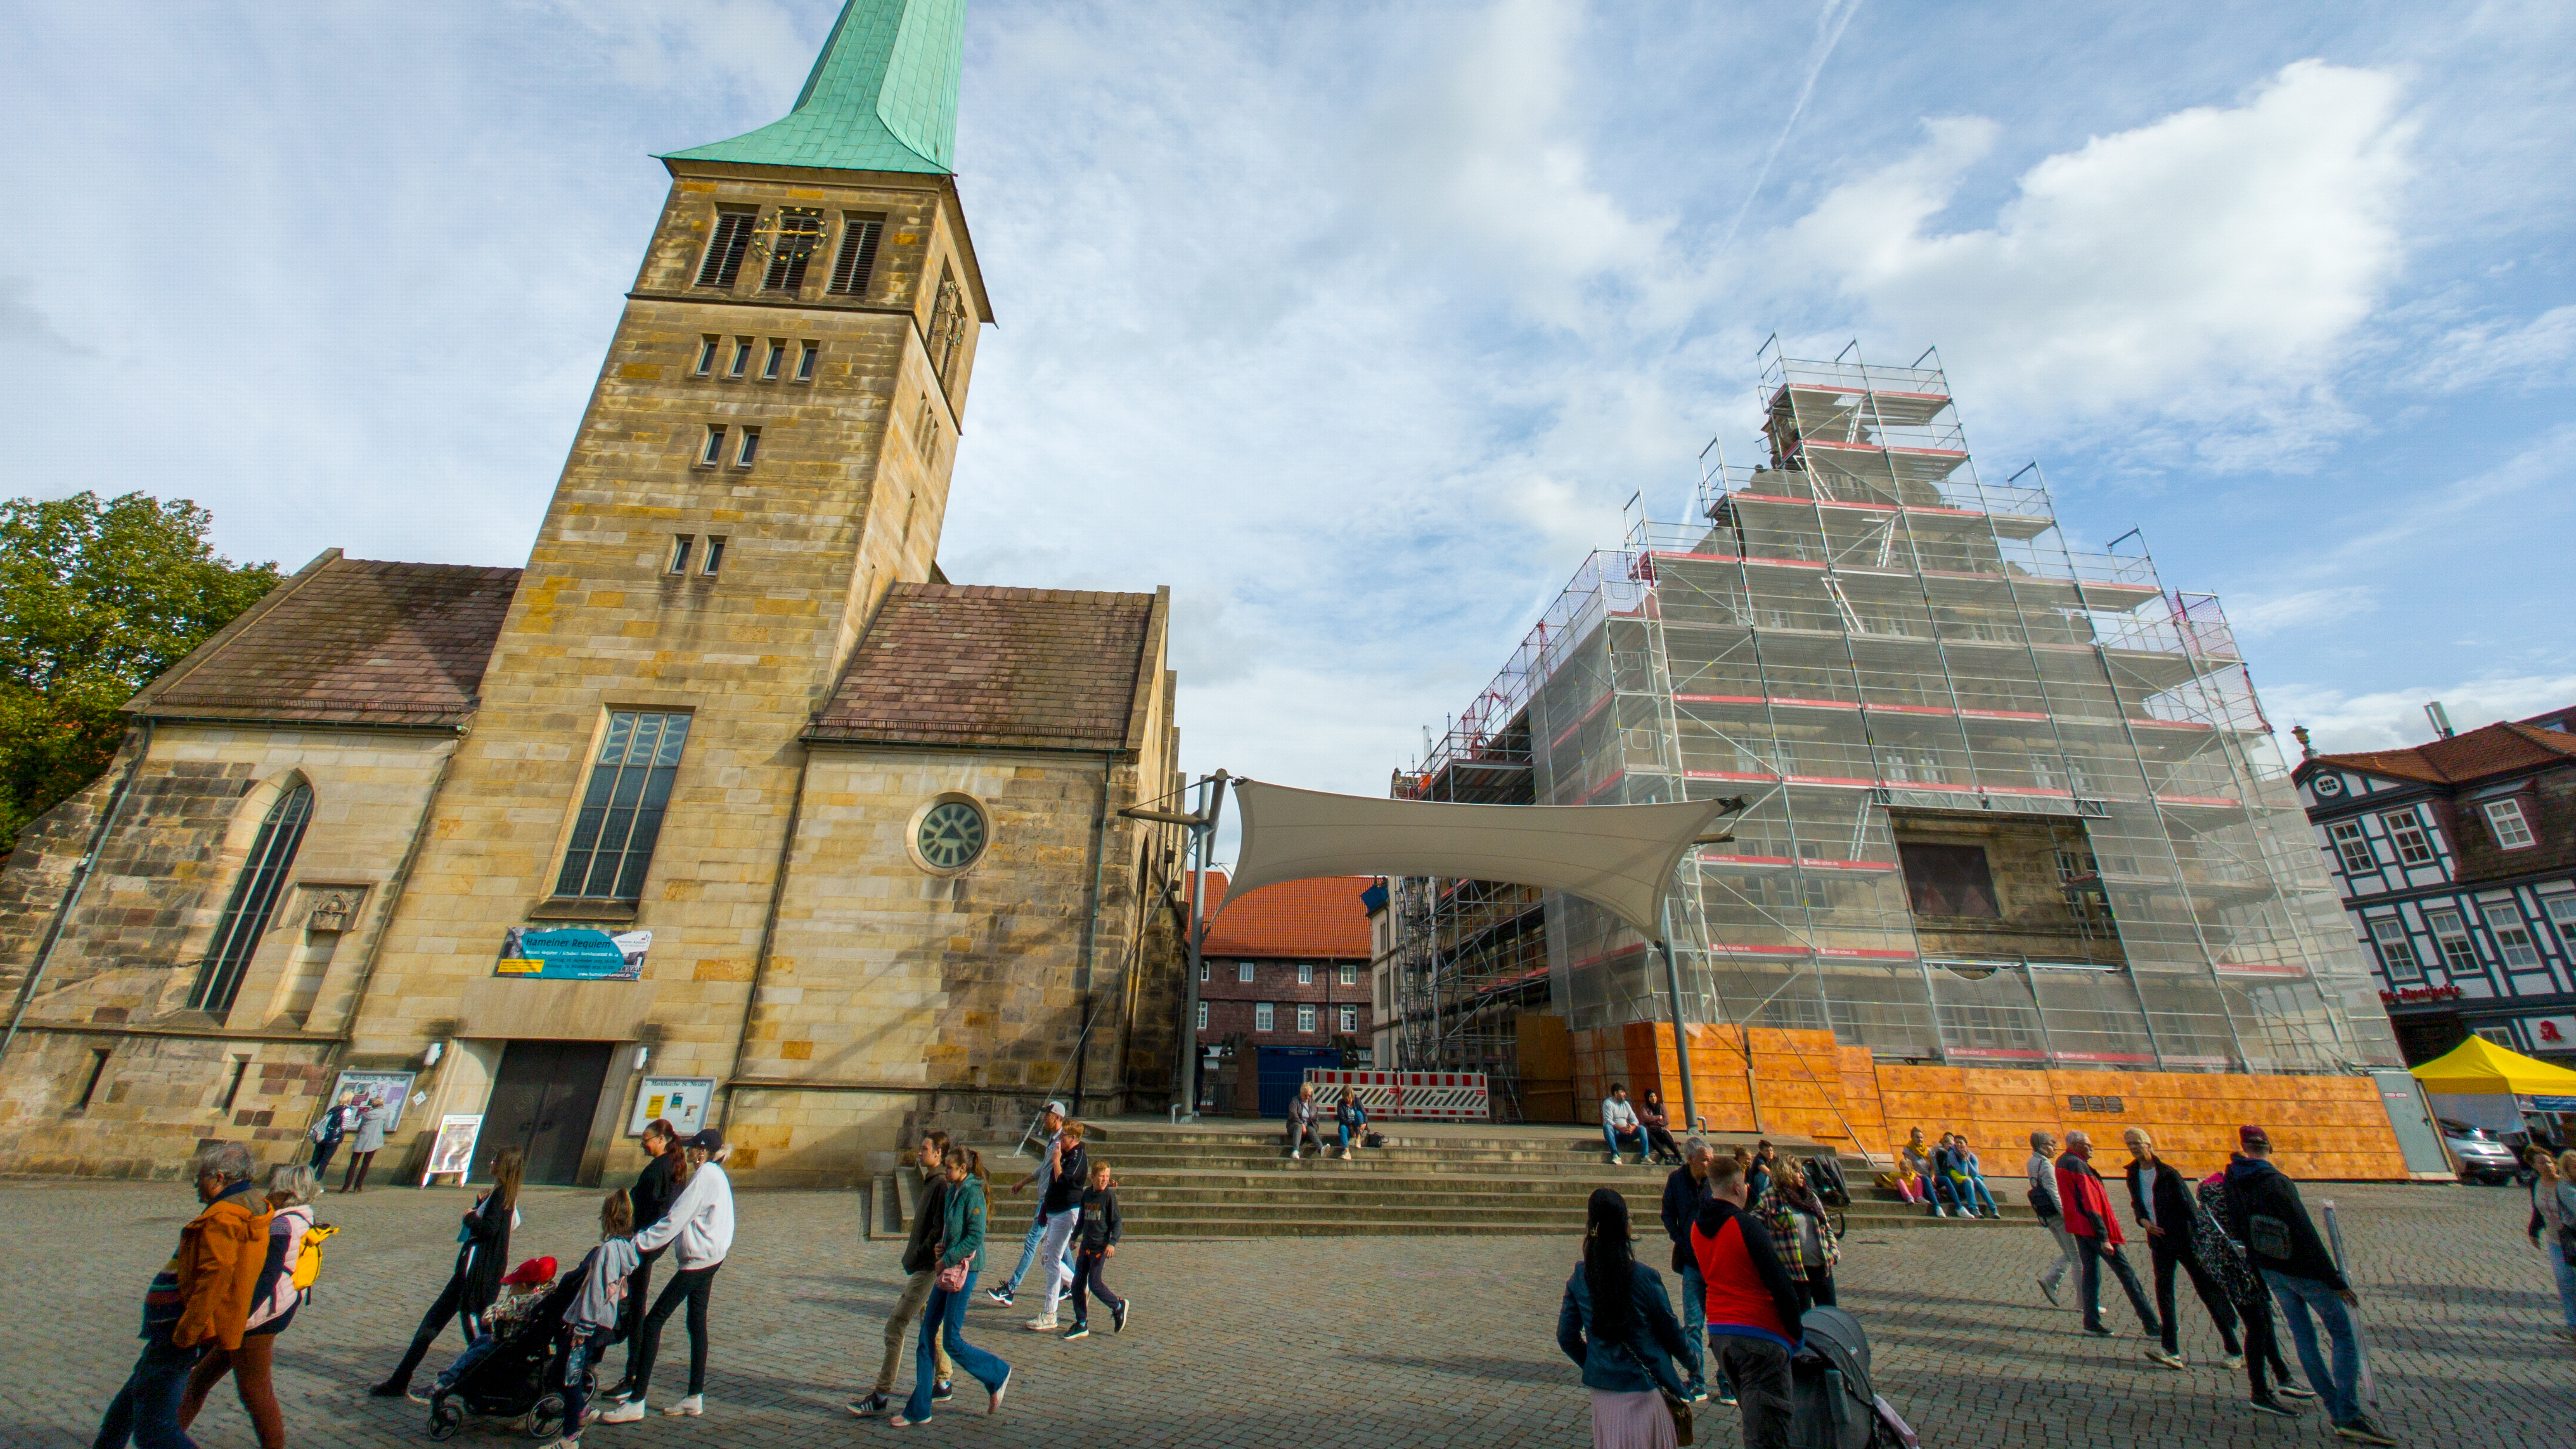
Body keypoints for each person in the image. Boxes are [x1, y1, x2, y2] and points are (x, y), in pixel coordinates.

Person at [2225, 1125, 2396, 1445]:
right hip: (2303, 1270)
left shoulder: (2233, 1178)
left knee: (2304, 1337)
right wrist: (2335, 1280)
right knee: (2342, 1334)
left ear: (2243, 1147)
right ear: (2269, 1148)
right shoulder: (2277, 1182)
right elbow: (2304, 1231)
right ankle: (2347, 1413)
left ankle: (2336, 1408)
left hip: (2270, 1268)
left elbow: (2237, 1226)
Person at [96, 1141, 271, 1449]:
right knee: (133, 1396)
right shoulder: (248, 1205)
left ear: (219, 1178)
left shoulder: (224, 1217)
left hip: (180, 1330)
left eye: (199, 1177)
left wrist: (187, 1332)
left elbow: (216, 1276)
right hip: (176, 1329)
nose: (195, 1184)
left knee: (155, 1431)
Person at [177, 1165, 319, 1449]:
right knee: (201, 1379)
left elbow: (266, 1277)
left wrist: (237, 1315)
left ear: (285, 1193)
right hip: (270, 1311)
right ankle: (166, 1437)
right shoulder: (302, 1218)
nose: (268, 1193)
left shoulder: (282, 1224)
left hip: (259, 1318)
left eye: (273, 1188)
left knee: (255, 1393)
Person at [600, 1128, 735, 1420]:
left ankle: (637, 1401)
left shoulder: (705, 1178)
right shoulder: (715, 1175)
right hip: (712, 1256)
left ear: (702, 1152)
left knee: (652, 1322)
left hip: (699, 1261)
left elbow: (675, 1220)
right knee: (696, 1322)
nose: (687, 1153)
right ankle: (694, 1397)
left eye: (691, 1149)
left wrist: (636, 1243)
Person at [372, 1147, 521, 1398]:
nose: (491, 1162)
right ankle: (399, 1379)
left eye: (495, 1159)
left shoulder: (504, 1195)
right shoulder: (500, 1194)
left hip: (477, 1278)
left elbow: (489, 1229)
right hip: (466, 1275)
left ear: (503, 1165)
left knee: (479, 1336)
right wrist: (480, 1205)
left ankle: (496, 1385)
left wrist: (469, 1217)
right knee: (431, 1324)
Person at [1557, 1187, 1691, 1449]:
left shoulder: (1580, 1278)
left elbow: (1566, 1337)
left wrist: (1595, 1363)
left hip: (1605, 1392)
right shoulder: (1645, 1277)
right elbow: (1670, 1330)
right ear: (1625, 1226)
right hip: (1646, 1386)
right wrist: (1692, 1362)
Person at [1691, 1154, 1804, 1449]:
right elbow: (1780, 1284)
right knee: (1770, 1431)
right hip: (1759, 1334)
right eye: (1743, 1184)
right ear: (1737, 1188)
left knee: (1756, 1417)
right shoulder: (1745, 1225)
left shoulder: (1695, 1229)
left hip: (1721, 1333)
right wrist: (1796, 1334)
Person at [895, 1146, 1012, 1427]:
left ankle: (997, 1372)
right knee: (925, 1334)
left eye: (949, 1168)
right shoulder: (952, 1190)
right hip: (947, 1266)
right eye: (945, 1167)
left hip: (964, 1271)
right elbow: (952, 1230)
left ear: (963, 1169)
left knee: (951, 1340)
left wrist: (946, 1257)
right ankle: (920, 1409)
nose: (945, 1172)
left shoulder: (973, 1192)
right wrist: (942, 1247)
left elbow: (975, 1237)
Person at [850, 1131, 956, 1417]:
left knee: (896, 1324)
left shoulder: (941, 1184)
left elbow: (939, 1228)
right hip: (925, 1265)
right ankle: (943, 1381)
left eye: (925, 1149)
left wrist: (921, 1254)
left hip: (927, 1268)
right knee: (931, 1323)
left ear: (939, 1154)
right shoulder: (933, 1181)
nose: (919, 1153)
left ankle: (882, 1394)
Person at [2192, 1161, 2309, 1417]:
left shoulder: (2212, 1195)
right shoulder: (2227, 1198)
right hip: (2238, 1271)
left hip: (2231, 1269)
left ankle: (2283, 1377)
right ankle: (2260, 1393)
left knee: (2264, 1322)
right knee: (2257, 1327)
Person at [2120, 1128, 2242, 1371]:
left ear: (2149, 1144)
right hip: (2160, 1242)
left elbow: (2191, 1209)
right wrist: (2143, 1222)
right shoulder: (2132, 1173)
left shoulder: (2168, 1174)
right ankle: (2171, 1351)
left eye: (2137, 1143)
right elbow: (2138, 1204)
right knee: (2164, 1292)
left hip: (2185, 1241)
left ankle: (2234, 1349)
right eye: (2129, 1144)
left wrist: (2201, 1243)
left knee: (2207, 1291)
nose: (2134, 1148)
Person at [550, 1192, 641, 1448]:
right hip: (598, 1322)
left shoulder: (607, 1252)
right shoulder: (625, 1249)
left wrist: (582, 1327)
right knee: (563, 1371)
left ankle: (570, 1436)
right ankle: (581, 1412)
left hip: (588, 1325)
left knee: (571, 1377)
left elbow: (597, 1292)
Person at [2054, 1130, 2161, 1346]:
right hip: (2093, 1229)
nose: (2092, 1148)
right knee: (2126, 1274)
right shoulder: (2077, 1165)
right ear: (2076, 1145)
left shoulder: (2064, 1161)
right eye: (2088, 1144)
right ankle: (2151, 1324)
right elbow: (2090, 1202)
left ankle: (2091, 1321)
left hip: (2080, 1227)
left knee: (2091, 1274)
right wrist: (2104, 1237)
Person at [601, 1119, 681, 1403]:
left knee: (636, 1308)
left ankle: (632, 1372)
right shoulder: (669, 1166)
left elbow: (661, 1210)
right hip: (643, 1245)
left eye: (646, 1139)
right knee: (635, 1303)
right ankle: (631, 1370)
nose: (642, 1144)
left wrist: (640, 1237)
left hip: (641, 1246)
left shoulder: (662, 1168)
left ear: (662, 1139)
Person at [429, 1256, 559, 1395]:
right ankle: (459, 1369)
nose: (510, 1288)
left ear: (522, 1286)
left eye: (513, 1285)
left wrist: (494, 1310)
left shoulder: (515, 1303)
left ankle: (445, 1381)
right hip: (521, 1340)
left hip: (506, 1343)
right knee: (479, 1341)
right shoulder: (540, 1299)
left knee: (472, 1354)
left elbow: (487, 1318)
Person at [988, 1101, 1069, 1307]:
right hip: (1046, 1199)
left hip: (1049, 1202)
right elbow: (1044, 1167)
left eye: (1048, 1115)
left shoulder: (1061, 1142)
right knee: (1062, 1243)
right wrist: (1024, 1182)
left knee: (1032, 1243)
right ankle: (1072, 1285)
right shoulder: (1052, 1140)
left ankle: (1011, 1289)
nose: (1044, 1118)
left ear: (1058, 1118)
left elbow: (1058, 1172)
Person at [1656, 1137, 1716, 1403]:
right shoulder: (1676, 1180)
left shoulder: (1716, 1182)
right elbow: (1667, 1213)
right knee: (1693, 1325)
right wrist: (1679, 1237)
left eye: (1711, 1159)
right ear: (1690, 1159)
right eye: (1705, 1159)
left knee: (1719, 1326)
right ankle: (1697, 1381)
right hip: (1692, 1263)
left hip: (1716, 1262)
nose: (1709, 1163)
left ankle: (1727, 1385)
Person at [1025, 1120, 1090, 1333]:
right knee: (1047, 1260)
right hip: (1053, 1210)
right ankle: (1078, 1285)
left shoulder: (1078, 1157)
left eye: (1064, 1137)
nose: (1060, 1140)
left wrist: (1056, 1161)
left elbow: (1063, 1182)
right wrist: (1045, 1210)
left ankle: (1050, 1313)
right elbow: (1052, 1186)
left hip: (1066, 1212)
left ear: (1073, 1138)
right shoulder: (1064, 1153)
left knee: (1052, 1260)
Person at [1760, 1159, 1839, 1310]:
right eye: (1798, 1172)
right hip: (1795, 1273)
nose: (1803, 1175)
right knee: (1802, 1321)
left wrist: (1833, 1253)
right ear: (1786, 1174)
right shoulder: (1770, 1199)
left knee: (1830, 1317)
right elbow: (1754, 1226)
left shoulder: (1810, 1197)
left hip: (1822, 1268)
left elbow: (1826, 1227)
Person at [1064, 1157, 1126, 1339]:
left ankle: (1118, 1305)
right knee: (1077, 1285)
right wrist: (1074, 1237)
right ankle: (1081, 1322)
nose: (1105, 1179)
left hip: (1100, 1248)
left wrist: (1112, 1243)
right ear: (1093, 1177)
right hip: (1086, 1246)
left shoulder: (1109, 1197)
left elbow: (1117, 1222)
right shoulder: (1087, 1194)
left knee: (1095, 1284)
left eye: (1107, 1176)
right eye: (1101, 1176)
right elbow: (1082, 1218)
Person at [2027, 1130, 2075, 1305]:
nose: (2055, 1147)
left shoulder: (2032, 1161)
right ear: (2042, 1147)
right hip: (2057, 1214)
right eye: (2052, 1144)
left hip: (2046, 1213)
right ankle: (2084, 1301)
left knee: (2069, 1253)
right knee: (2076, 1256)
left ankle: (2051, 1282)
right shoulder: (2046, 1165)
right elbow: (2053, 1192)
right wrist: (2066, 1215)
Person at [2544, 1149, 2576, 1337]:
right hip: (2572, 1238)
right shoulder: (2566, 1187)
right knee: (2567, 1282)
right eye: (2575, 1167)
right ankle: (2572, 1325)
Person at [340, 1092, 391, 1193]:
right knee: (366, 1164)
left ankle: (346, 1187)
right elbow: (386, 1127)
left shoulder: (366, 1115)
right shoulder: (385, 1113)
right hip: (374, 1141)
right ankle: (358, 1187)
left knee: (353, 1163)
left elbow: (360, 1127)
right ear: (381, 1104)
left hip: (362, 1139)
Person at [1903, 1128, 1957, 1218]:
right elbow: (1909, 1167)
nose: (1920, 1139)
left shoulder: (1927, 1150)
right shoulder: (1908, 1150)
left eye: (1921, 1137)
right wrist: (1922, 1176)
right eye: (1917, 1137)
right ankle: (1937, 1206)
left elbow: (1932, 1168)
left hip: (1929, 1175)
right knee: (1926, 1179)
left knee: (1945, 1179)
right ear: (1912, 1137)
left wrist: (1932, 1177)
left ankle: (1959, 1206)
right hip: (1917, 1176)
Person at [1945, 1134, 1999, 1218]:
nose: (1958, 1145)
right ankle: (1973, 1208)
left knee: (1978, 1180)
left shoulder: (1973, 1157)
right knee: (1969, 1180)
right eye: (1957, 1143)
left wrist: (1967, 1160)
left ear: (1966, 1145)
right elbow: (1963, 1173)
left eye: (1961, 1143)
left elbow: (1975, 1174)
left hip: (1969, 1181)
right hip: (1956, 1182)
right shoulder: (1951, 1154)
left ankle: (1993, 1208)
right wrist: (1963, 1160)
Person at [308, 1091, 354, 1182]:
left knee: (314, 1160)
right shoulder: (347, 1111)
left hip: (322, 1137)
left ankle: (305, 1179)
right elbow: (344, 1127)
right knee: (324, 1162)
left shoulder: (333, 1109)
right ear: (349, 1099)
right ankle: (316, 1182)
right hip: (333, 1139)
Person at [1602, 1084, 1647, 1165]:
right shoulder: (1608, 1103)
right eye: (1622, 1092)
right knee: (1607, 1127)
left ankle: (1645, 1157)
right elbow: (1608, 1120)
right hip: (1615, 1133)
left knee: (1642, 1129)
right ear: (1616, 1093)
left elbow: (1634, 1119)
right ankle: (1616, 1155)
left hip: (1627, 1133)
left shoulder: (1626, 1104)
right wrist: (1621, 1129)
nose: (1625, 1094)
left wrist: (1632, 1128)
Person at [1637, 1091, 1683, 1166]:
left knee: (1667, 1136)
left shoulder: (1661, 1106)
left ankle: (1680, 1157)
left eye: (1654, 1096)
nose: (1653, 1098)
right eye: (1651, 1097)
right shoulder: (1644, 1107)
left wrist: (1654, 1123)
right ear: (1647, 1098)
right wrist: (1658, 1118)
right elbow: (1646, 1118)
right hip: (1651, 1131)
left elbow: (1666, 1120)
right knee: (1651, 1138)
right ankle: (1667, 1158)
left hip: (1661, 1129)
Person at [1287, 1083, 1326, 1160]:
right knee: (1298, 1127)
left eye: (1309, 1095)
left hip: (1308, 1127)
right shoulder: (1295, 1101)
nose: (1308, 1097)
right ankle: (1295, 1151)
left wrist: (1315, 1127)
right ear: (1301, 1093)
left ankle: (1321, 1149)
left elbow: (1315, 1117)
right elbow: (1293, 1115)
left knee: (1311, 1129)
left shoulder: (1312, 1103)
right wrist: (1302, 1124)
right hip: (1294, 1126)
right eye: (1305, 1095)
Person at [1334, 1089, 1369, 1159]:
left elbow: (1365, 1114)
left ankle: (1358, 1137)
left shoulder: (1357, 1101)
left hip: (1357, 1125)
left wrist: (1365, 1123)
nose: (1349, 1100)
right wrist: (1351, 1127)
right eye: (1347, 1099)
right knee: (1342, 1128)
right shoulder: (1340, 1103)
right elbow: (1342, 1119)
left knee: (1359, 1114)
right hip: (1347, 1125)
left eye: (1350, 1098)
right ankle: (1346, 1151)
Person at [1746, 1141, 1775, 1206]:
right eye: (1767, 1151)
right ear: (1762, 1152)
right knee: (1761, 1175)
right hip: (1755, 1189)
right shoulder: (1759, 1160)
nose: (1770, 1153)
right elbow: (1768, 1172)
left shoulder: (1773, 1158)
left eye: (1771, 1150)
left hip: (1767, 1186)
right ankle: (1761, 1201)